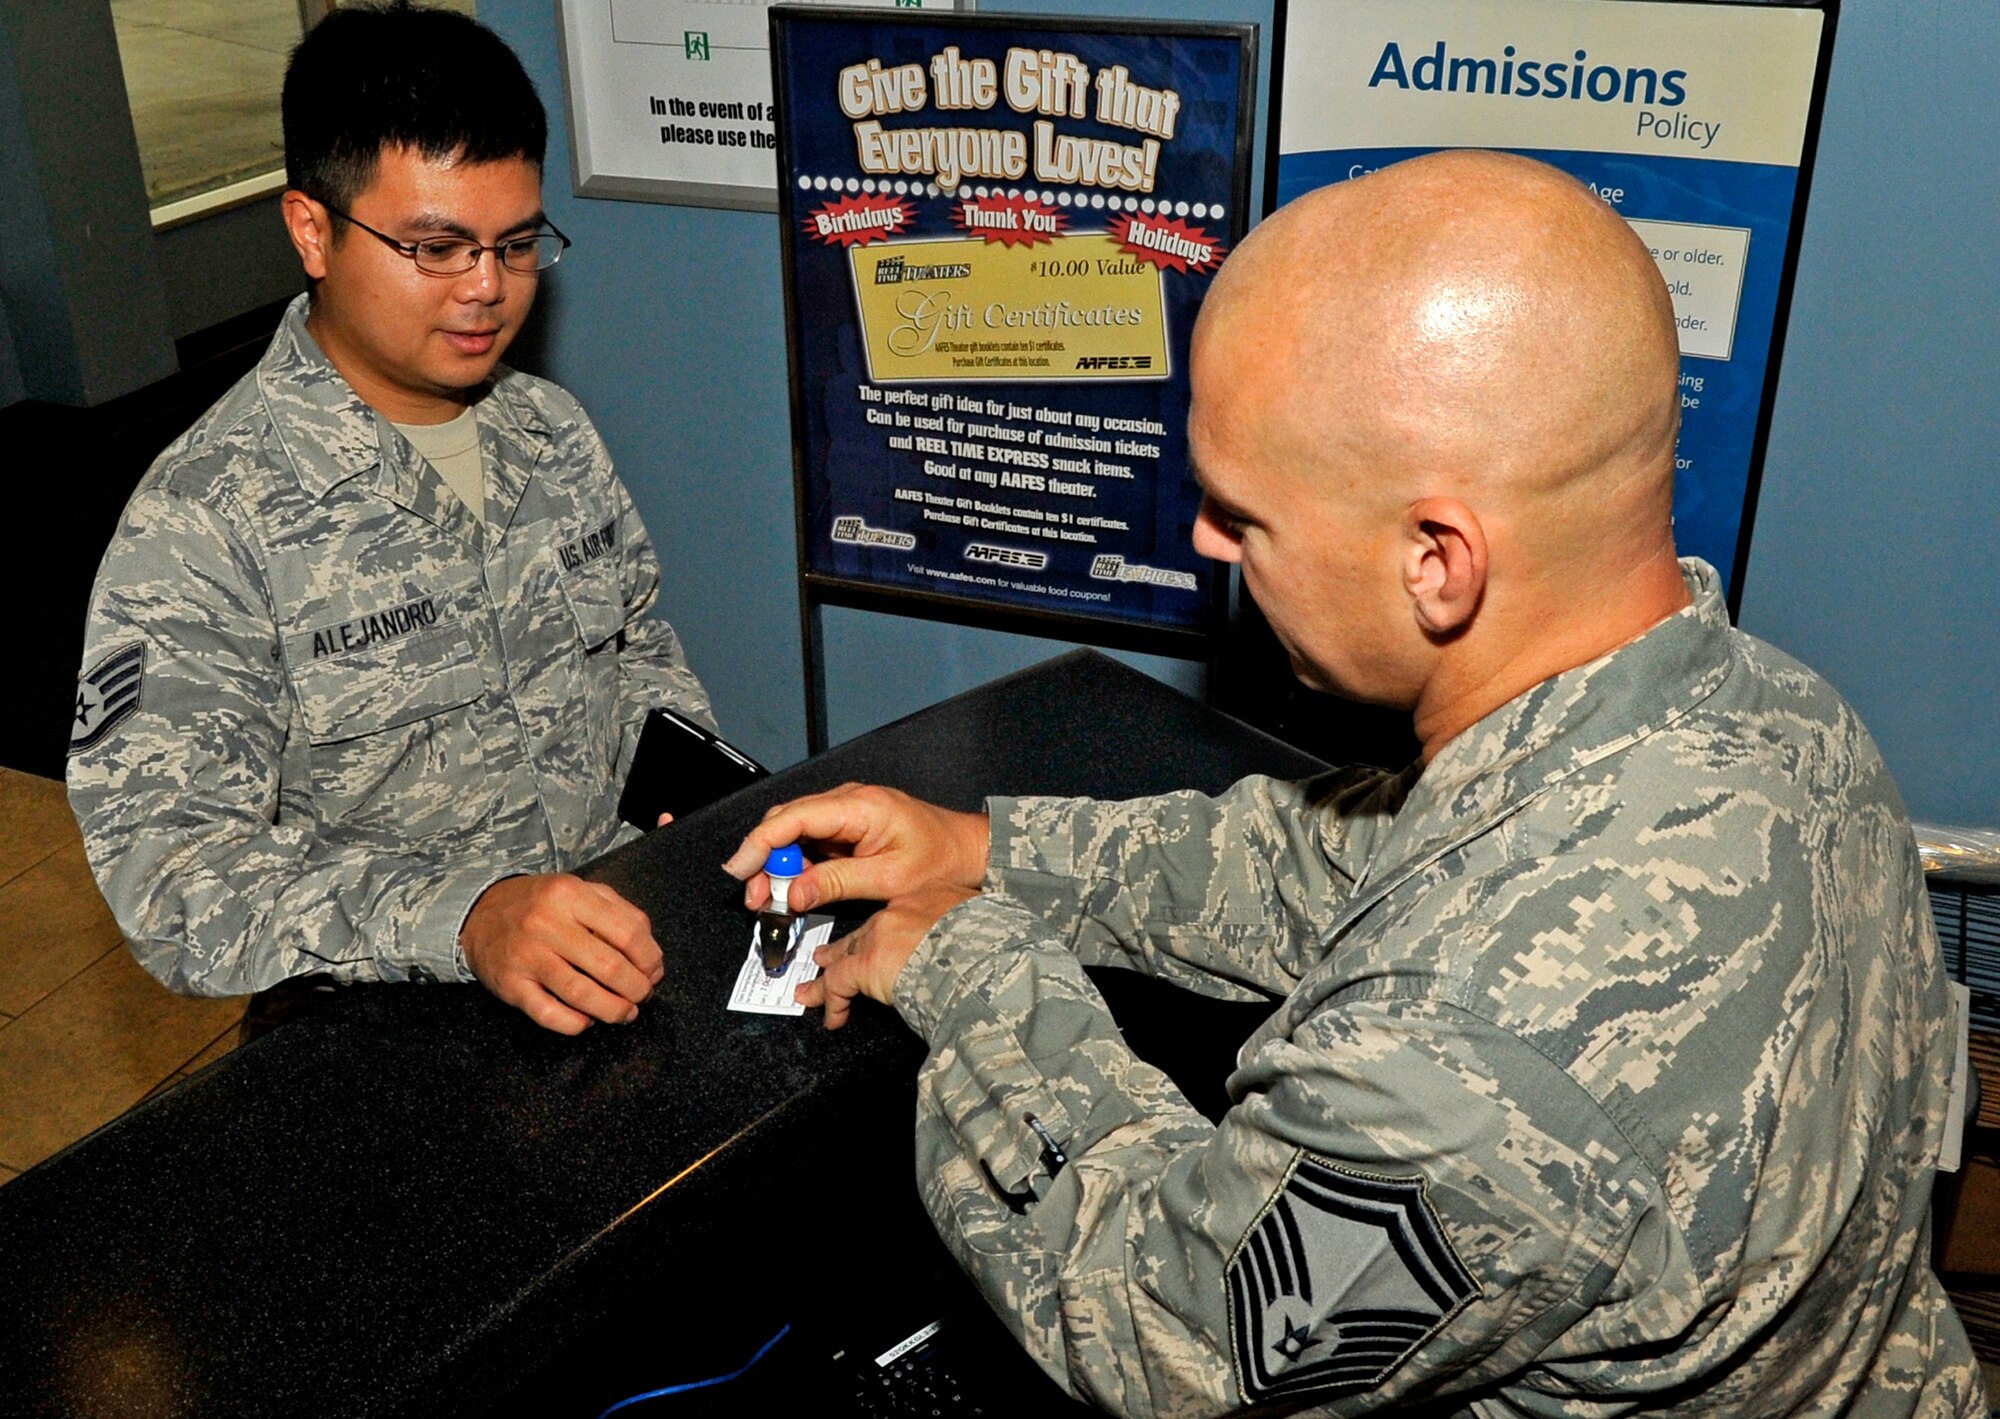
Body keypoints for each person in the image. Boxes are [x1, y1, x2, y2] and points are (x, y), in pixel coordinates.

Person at [726, 152, 1982, 1414]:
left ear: (1437, 561)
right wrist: (986, 851)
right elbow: (1366, 863)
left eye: (1242, 516)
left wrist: (970, 971)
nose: (1206, 539)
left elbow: (1162, 1336)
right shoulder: (1779, 714)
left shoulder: (1462, 1066)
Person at [67, 3, 710, 1036]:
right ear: (311, 230)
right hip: (385, 1033)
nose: (487, 289)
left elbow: (636, 649)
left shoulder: (550, 430)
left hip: (609, 974)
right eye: (436, 247)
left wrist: (698, 795)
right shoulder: (204, 520)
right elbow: (170, 869)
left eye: (515, 244)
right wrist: (467, 918)